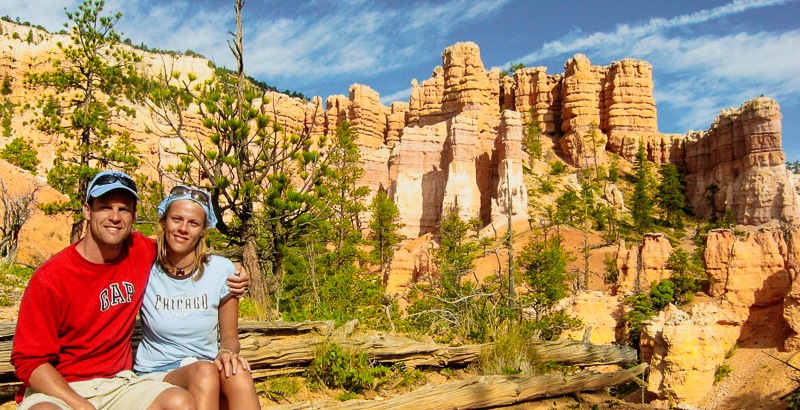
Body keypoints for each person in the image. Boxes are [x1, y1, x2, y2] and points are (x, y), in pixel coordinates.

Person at [10, 170, 250, 410]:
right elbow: (29, 361)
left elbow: (183, 249)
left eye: (123, 209)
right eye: (105, 207)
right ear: (86, 210)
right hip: (62, 388)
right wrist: (80, 405)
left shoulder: (139, 251)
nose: (115, 217)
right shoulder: (52, 277)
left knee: (180, 403)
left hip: (119, 385)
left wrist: (236, 272)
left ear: (134, 216)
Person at [133, 185, 259, 410]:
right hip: (157, 373)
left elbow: (230, 337)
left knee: (238, 373)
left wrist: (228, 352)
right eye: (176, 219)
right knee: (204, 373)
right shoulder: (144, 266)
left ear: (203, 230)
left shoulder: (222, 270)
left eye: (193, 223)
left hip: (207, 367)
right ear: (164, 222)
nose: (183, 228)